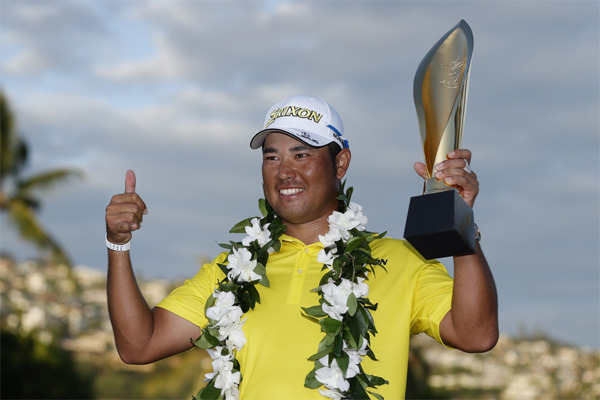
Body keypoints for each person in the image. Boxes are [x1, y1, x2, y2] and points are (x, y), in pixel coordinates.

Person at [105, 95, 498, 399]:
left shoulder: (401, 262)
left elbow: (475, 335)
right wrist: (118, 246)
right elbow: (139, 345)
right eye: (271, 156)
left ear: (340, 164)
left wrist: (460, 221)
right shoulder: (230, 272)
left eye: (302, 154)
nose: (284, 172)